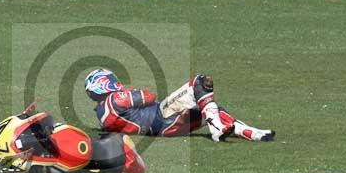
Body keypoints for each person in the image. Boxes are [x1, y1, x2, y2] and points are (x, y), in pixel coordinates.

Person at [85, 69, 275, 142]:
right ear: (103, 84)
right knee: (199, 82)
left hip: (159, 129)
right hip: (162, 116)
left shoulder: (101, 113)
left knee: (212, 110)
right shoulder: (116, 99)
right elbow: (150, 96)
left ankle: (253, 133)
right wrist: (132, 91)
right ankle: (218, 130)